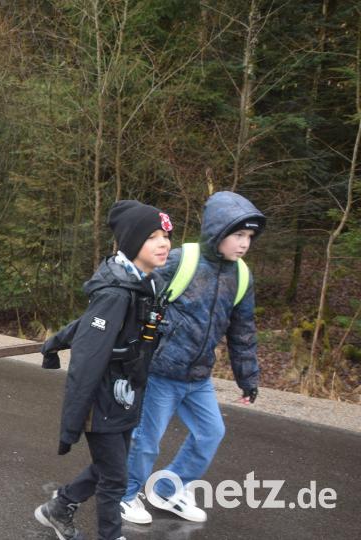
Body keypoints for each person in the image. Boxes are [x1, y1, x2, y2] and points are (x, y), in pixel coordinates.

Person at [119, 191, 264, 525]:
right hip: (159, 371)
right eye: (238, 234)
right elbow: (134, 293)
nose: (244, 244)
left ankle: (168, 490)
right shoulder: (182, 259)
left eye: (249, 237)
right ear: (217, 230)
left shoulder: (241, 275)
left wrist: (248, 378)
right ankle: (125, 495)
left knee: (211, 433)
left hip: (198, 377)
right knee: (146, 441)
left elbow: (243, 330)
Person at [35, 200, 172, 540]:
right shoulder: (116, 293)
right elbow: (87, 359)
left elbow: (87, 326)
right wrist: (71, 425)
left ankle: (60, 505)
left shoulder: (144, 283)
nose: (164, 243)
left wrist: (53, 342)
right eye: (152, 236)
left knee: (111, 466)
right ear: (131, 243)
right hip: (102, 401)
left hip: (125, 393)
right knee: (115, 478)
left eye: (165, 235)